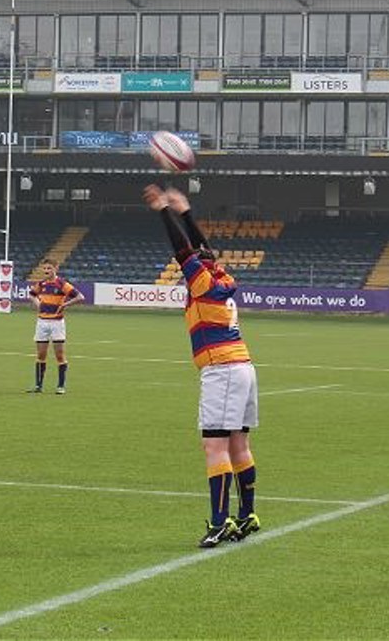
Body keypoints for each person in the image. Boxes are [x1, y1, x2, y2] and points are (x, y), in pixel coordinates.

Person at [143, 184, 261, 548]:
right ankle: (246, 515)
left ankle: (219, 521)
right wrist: (187, 212)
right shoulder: (222, 277)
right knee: (238, 444)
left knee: (214, 447)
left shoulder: (203, 281)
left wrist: (165, 210)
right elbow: (200, 249)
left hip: (222, 369)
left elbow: (183, 251)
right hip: (242, 366)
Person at [27, 259, 83, 395]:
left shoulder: (62, 284)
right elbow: (31, 295)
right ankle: (38, 385)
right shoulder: (41, 284)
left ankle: (60, 386)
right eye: (45, 269)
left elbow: (80, 297)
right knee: (41, 354)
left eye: (49, 268)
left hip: (57, 323)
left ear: (56, 268)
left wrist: (65, 305)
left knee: (59, 355)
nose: (46, 271)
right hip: (42, 323)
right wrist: (38, 304)